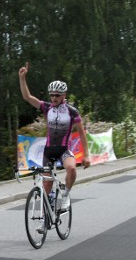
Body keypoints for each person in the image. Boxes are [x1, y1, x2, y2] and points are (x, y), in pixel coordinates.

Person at [18, 62, 90, 210]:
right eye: (51, 95)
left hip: (64, 150)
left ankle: (65, 195)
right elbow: (27, 97)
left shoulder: (72, 111)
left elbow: (82, 133)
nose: (54, 98)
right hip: (49, 150)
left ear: (64, 95)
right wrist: (22, 79)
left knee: (71, 169)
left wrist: (86, 155)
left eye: (57, 95)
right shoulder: (46, 107)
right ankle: (44, 220)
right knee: (47, 184)